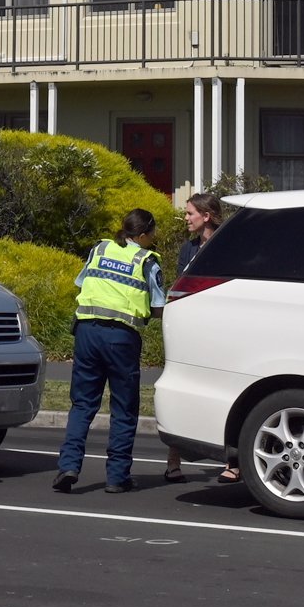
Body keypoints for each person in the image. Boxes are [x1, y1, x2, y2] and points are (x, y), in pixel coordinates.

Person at [60, 209, 166, 493]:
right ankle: (117, 477)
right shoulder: (147, 261)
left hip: (86, 332)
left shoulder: (100, 248)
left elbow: (82, 283)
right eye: (153, 233)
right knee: (123, 407)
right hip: (121, 337)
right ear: (143, 234)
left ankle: (68, 466)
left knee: (82, 404)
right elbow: (158, 308)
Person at [171, 193, 238, 485]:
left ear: (206, 217)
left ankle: (233, 462)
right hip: (193, 329)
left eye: (190, 214)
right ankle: (173, 463)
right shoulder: (188, 249)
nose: (185, 218)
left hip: (224, 330)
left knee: (230, 394)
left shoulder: (229, 245)